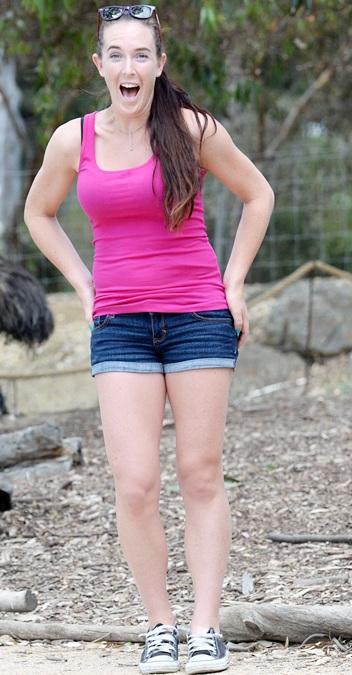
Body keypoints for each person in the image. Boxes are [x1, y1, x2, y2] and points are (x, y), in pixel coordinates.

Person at [23, 5, 274, 674]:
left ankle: (205, 629)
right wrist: (82, 284)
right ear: (99, 65)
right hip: (121, 325)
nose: (130, 67)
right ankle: (159, 627)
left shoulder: (192, 129)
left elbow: (258, 194)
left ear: (160, 66)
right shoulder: (72, 141)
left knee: (199, 472)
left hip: (197, 317)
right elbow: (37, 213)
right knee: (134, 482)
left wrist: (236, 281)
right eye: (117, 55)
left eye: (143, 55)